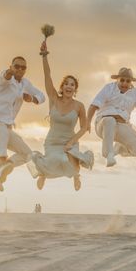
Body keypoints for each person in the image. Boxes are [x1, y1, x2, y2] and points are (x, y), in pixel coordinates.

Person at [29, 41, 94, 191]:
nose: (69, 86)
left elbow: (84, 127)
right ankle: (43, 173)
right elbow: (47, 76)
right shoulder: (53, 99)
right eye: (66, 84)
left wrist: (71, 142)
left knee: (71, 167)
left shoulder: (79, 106)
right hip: (53, 142)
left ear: (75, 89)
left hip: (69, 142)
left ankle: (76, 176)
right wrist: (44, 56)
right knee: (54, 161)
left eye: (72, 84)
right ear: (62, 87)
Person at [0, 56, 45, 191]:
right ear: (11, 66)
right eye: (17, 66)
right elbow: (5, 76)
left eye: (23, 67)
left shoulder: (26, 84)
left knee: (28, 154)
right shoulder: (5, 80)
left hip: (6, 126)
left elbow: (42, 96)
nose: (20, 69)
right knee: (2, 133)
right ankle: (2, 162)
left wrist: (32, 98)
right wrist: (10, 72)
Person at [87, 67, 136, 167]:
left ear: (131, 82)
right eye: (122, 80)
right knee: (110, 120)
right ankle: (109, 154)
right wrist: (87, 122)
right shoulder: (109, 88)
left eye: (128, 81)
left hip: (122, 126)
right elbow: (93, 105)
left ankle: (119, 148)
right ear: (117, 79)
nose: (124, 83)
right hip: (103, 124)